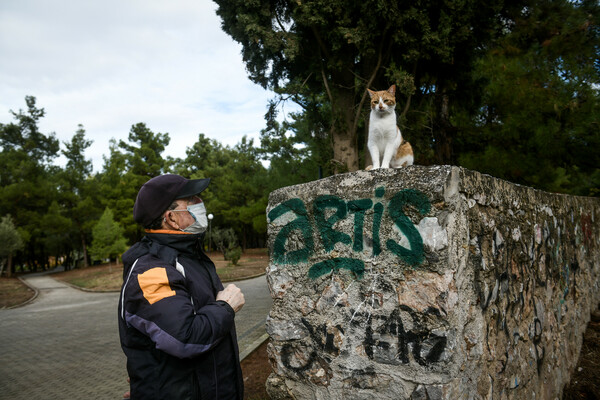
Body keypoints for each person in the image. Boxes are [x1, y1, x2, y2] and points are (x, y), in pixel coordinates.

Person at [118, 174, 245, 399]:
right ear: (171, 218)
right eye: (192, 199)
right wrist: (225, 306)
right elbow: (184, 338)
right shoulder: (150, 270)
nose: (200, 203)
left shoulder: (188, 255)